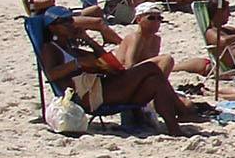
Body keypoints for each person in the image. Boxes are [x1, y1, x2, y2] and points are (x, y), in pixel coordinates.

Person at [36, 10, 197, 132]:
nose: (71, 24)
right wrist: (78, 63)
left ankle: (174, 129)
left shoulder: (71, 48)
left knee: (154, 81)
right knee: (150, 68)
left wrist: (89, 41)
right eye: (65, 22)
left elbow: (106, 61)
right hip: (89, 96)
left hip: (101, 87)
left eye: (71, 20)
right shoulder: (50, 48)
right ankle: (182, 112)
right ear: (53, 27)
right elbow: (51, 74)